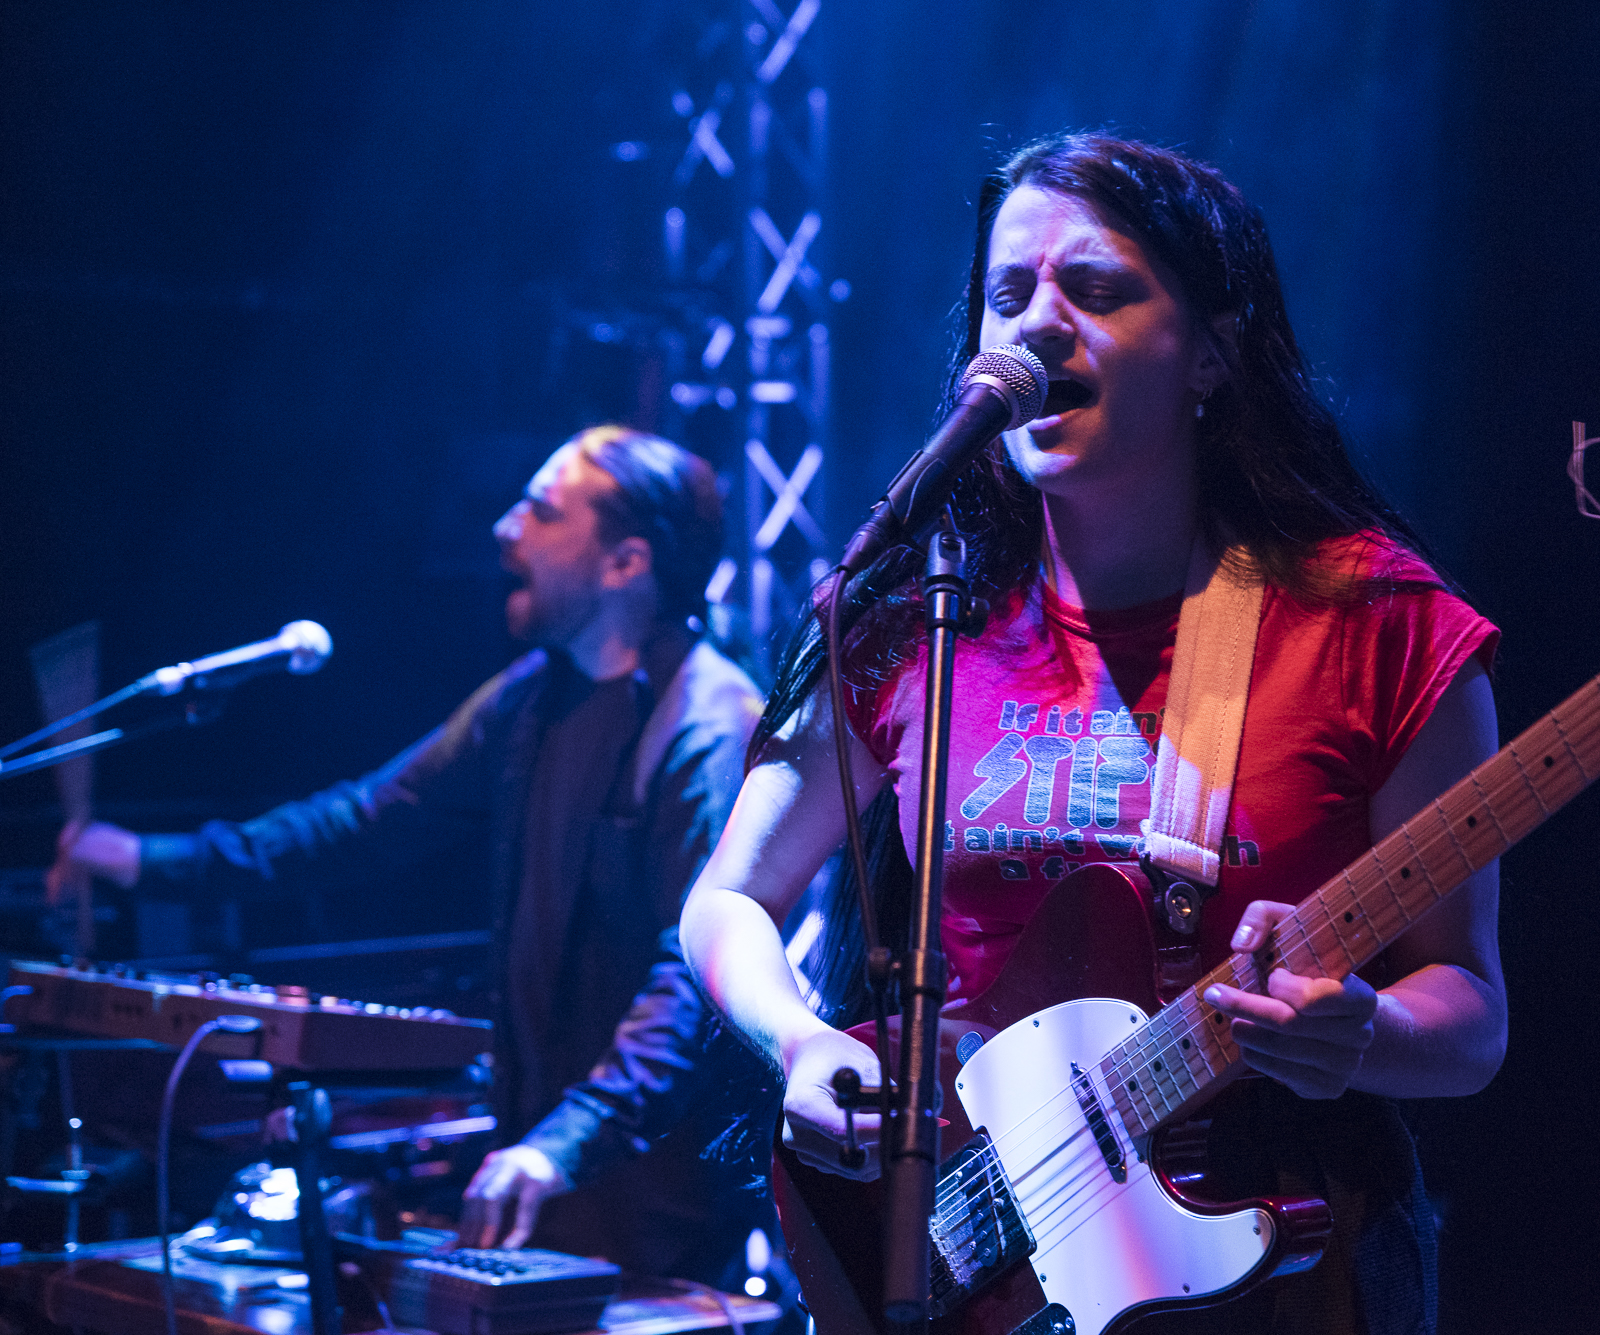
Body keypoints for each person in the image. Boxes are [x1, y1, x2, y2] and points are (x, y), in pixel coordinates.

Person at [679, 134, 1506, 1333]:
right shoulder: (913, 617)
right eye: (1008, 293)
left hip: (1274, 1262)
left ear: (1211, 353)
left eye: (1097, 289)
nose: (1037, 324)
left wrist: (1362, 1033)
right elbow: (726, 900)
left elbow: (1468, 1010)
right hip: (974, 1246)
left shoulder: (1374, 623)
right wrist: (801, 1046)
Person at [49, 426, 779, 1287]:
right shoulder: (530, 698)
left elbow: (694, 976)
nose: (506, 527)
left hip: (653, 1203)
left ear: (625, 562)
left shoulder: (709, 727)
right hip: (544, 1178)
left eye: (542, 510)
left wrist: (565, 1140)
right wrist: (146, 860)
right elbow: (366, 821)